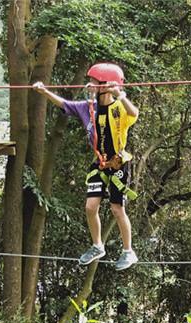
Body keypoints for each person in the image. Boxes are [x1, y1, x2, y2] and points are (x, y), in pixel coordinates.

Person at [33, 63, 139, 271]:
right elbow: (64, 104)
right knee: (90, 207)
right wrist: (44, 91)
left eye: (94, 83)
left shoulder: (119, 108)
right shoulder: (87, 108)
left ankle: (128, 251)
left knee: (117, 209)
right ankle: (97, 245)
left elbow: (134, 113)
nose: (89, 86)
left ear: (106, 86)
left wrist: (121, 95)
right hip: (99, 164)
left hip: (118, 164)